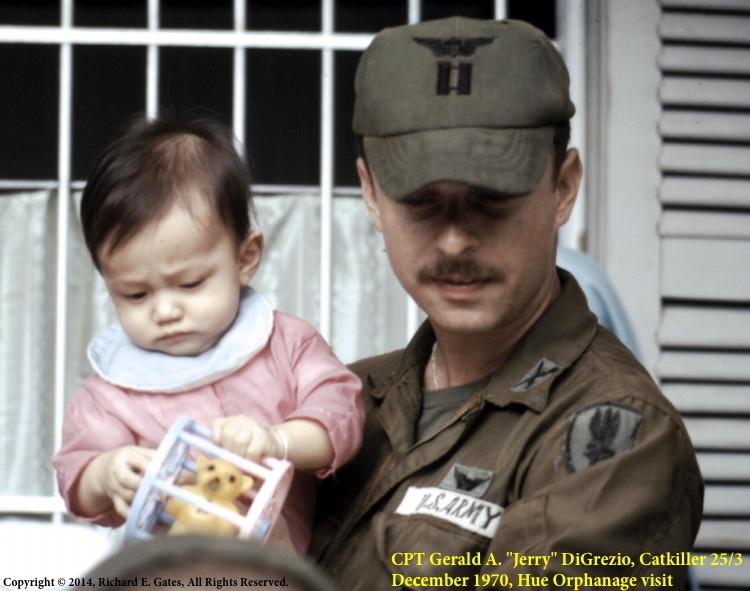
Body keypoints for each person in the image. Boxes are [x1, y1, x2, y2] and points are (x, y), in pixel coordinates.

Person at [311, 16, 703, 589]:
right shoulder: (341, 405)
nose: (454, 240)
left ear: (563, 187)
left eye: (490, 199)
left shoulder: (619, 442)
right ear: (372, 195)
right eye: (421, 202)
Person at [52, 116, 363, 553]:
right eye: (135, 294)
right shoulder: (111, 392)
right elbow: (74, 477)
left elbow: (341, 413)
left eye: (190, 284)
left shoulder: (287, 344)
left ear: (245, 257)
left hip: (278, 571)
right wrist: (103, 474)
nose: (164, 310)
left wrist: (278, 440)